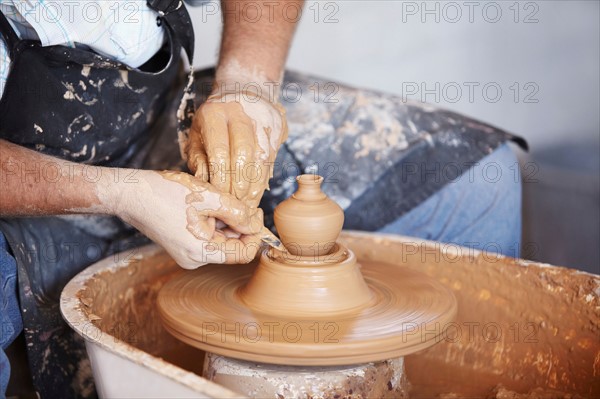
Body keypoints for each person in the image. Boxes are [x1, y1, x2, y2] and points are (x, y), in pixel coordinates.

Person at [0, 1, 526, 397]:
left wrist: (247, 86)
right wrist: (118, 192)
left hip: (156, 119)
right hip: (20, 180)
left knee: (479, 176)